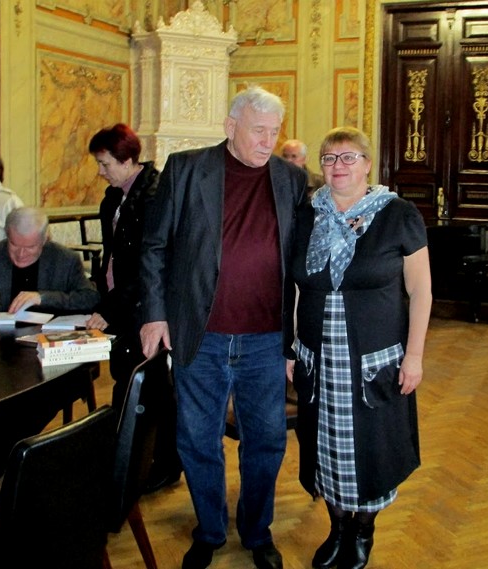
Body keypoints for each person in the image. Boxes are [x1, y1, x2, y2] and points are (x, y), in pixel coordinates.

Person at [140, 85, 307, 569]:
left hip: (266, 339)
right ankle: (210, 530)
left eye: (275, 132)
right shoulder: (186, 169)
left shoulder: (292, 180)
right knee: (197, 440)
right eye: (259, 131)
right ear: (231, 126)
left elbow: (304, 256)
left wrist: (298, 339)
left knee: (267, 441)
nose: (268, 141)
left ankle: (257, 532)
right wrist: (154, 314)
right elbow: (154, 247)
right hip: (202, 334)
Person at [286, 126, 432, 569]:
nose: (338, 166)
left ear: (368, 164)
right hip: (318, 357)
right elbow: (296, 287)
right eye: (330, 158)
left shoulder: (397, 214)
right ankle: (337, 528)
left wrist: (414, 356)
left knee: (372, 447)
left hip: (374, 361)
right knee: (325, 445)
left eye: (349, 157)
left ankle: (363, 530)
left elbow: (421, 290)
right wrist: (291, 348)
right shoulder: (306, 215)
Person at [85, 123, 182, 493]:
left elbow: (148, 266)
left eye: (105, 163)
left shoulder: (153, 196)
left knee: (153, 388)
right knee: (127, 381)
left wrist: (111, 307)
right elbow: (113, 256)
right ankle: (124, 458)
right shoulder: (113, 197)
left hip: (146, 307)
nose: (100, 171)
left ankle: (163, 463)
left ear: (127, 160)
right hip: (122, 304)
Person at [0, 206, 99, 321]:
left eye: (30, 247)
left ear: (44, 240)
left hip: (47, 340)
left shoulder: (65, 259)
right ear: (7, 235)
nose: (21, 254)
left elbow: (91, 299)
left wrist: (42, 298)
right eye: (14, 245)